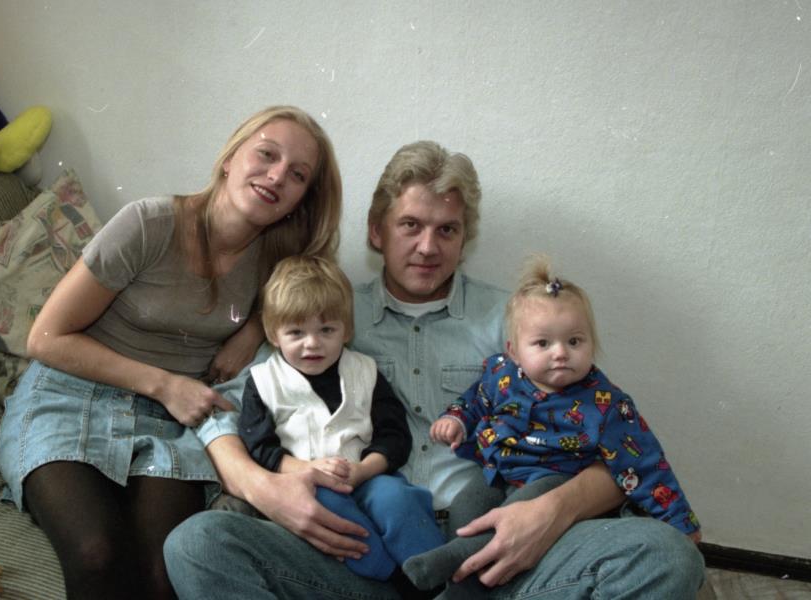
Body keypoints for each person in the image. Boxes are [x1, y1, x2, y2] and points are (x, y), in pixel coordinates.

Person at [164, 141, 705, 599]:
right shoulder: (325, 315)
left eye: (447, 230)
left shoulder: (519, 321)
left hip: (496, 553)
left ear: (464, 240)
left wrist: (552, 512)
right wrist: (264, 486)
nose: (428, 247)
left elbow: (614, 441)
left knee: (667, 556)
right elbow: (222, 412)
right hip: (361, 552)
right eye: (410, 225)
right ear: (377, 231)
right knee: (198, 544)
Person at [0, 105, 343, 600]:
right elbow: (45, 339)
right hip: (72, 395)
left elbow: (303, 314)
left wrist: (250, 331)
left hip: (171, 423)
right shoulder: (149, 223)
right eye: (267, 155)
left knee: (167, 572)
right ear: (230, 158)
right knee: (97, 553)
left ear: (300, 200)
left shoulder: (280, 261)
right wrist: (165, 384)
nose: (276, 176)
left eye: (298, 175)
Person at [402, 253, 701, 592]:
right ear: (514, 351)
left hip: (554, 478)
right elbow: (474, 400)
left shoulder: (606, 404)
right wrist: (455, 419)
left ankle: (452, 560)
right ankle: (462, 585)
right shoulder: (501, 374)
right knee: (467, 505)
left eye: (574, 341)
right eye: (543, 343)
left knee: (519, 513)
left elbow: (646, 462)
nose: (560, 353)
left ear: (592, 344)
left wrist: (681, 522)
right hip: (498, 471)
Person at [239, 255, 445, 582]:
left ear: (346, 329)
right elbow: (259, 447)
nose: (312, 343)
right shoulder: (263, 381)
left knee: (397, 499)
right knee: (328, 507)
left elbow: (394, 436)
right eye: (296, 332)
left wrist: (363, 470)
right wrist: (307, 469)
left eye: (326, 330)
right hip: (306, 484)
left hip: (368, 476)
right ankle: (389, 579)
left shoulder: (365, 370)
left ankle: (438, 574)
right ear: (273, 334)